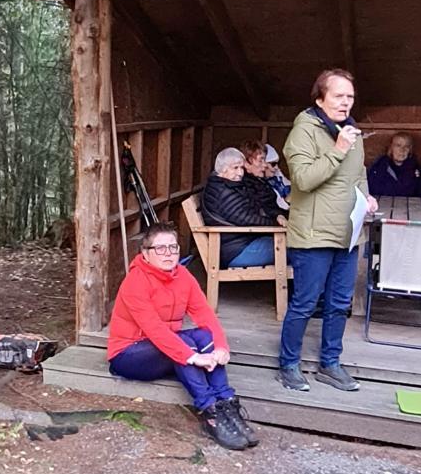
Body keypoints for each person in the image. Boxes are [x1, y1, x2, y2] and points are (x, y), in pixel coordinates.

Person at [107, 223, 256, 449]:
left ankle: (226, 403)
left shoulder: (183, 275)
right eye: (160, 248)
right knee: (183, 343)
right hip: (128, 355)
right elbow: (154, 329)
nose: (168, 253)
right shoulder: (135, 282)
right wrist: (192, 357)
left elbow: (205, 314)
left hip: (165, 348)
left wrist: (221, 347)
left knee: (204, 336)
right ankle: (210, 413)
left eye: (173, 247)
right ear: (145, 253)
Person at [278, 68, 375, 394]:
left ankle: (330, 364)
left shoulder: (351, 131)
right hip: (314, 234)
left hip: (348, 232)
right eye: (338, 96)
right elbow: (303, 180)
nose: (345, 102)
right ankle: (289, 365)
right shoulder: (303, 131)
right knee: (305, 302)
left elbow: (359, 174)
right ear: (320, 99)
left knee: (339, 304)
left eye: (350, 96)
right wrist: (338, 149)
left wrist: (367, 196)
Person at [200, 147, 278, 267]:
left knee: (295, 245)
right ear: (223, 169)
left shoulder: (224, 185)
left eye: (241, 168)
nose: (240, 173)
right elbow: (247, 219)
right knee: (297, 249)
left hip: (240, 243)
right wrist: (275, 224)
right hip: (237, 250)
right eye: (235, 168)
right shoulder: (223, 191)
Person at [241, 142, 291, 220]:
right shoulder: (245, 185)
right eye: (260, 161)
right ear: (247, 164)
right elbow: (262, 212)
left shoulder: (261, 181)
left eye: (264, 160)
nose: (264, 165)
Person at [367, 133, 421, 200]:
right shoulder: (379, 167)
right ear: (391, 148)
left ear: (410, 150)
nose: (402, 150)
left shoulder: (415, 169)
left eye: (407, 146)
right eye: (398, 145)